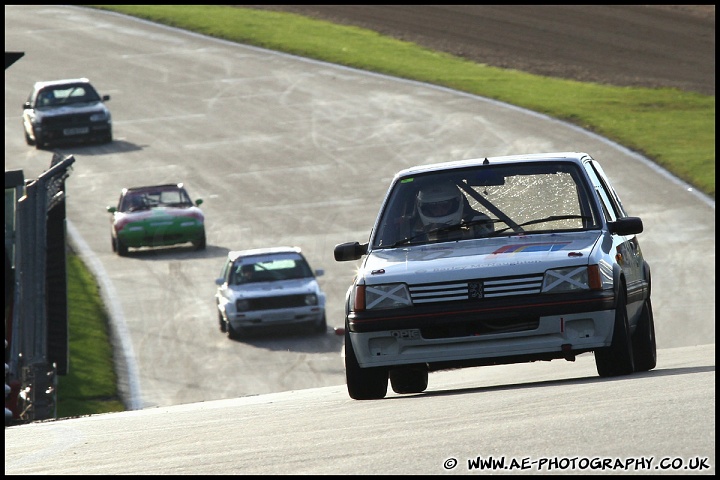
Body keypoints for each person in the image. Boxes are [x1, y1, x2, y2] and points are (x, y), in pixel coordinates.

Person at [415, 181, 493, 240]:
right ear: (425, 208)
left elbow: (487, 239)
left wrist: (463, 232)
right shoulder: (412, 228)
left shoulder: (479, 221)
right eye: (433, 207)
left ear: (456, 204)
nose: (440, 210)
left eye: (445, 205)